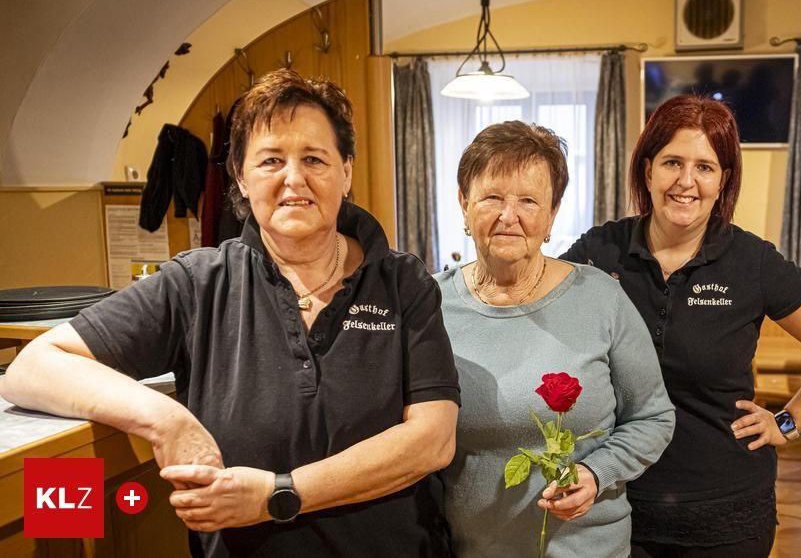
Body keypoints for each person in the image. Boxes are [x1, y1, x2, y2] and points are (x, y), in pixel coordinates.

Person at [0, 69, 460, 557]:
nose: (293, 178)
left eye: (314, 158)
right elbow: (33, 367)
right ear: (240, 175)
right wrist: (166, 418)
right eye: (270, 160)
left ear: (346, 171)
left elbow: (431, 441)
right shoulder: (197, 283)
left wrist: (279, 495)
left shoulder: (403, 282)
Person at [562, 95, 801, 557]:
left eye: (705, 167)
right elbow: (538, 310)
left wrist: (788, 422)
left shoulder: (751, 262)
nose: (686, 182)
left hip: (724, 511)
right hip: (615, 499)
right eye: (672, 162)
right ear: (647, 170)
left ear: (723, 180)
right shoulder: (601, 250)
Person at [436, 121, 675, 558]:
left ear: (551, 214)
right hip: (469, 549)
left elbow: (654, 417)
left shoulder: (600, 296)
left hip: (589, 549)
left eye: (529, 200)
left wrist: (597, 472)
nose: (510, 216)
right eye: (492, 197)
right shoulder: (429, 305)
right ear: (463, 203)